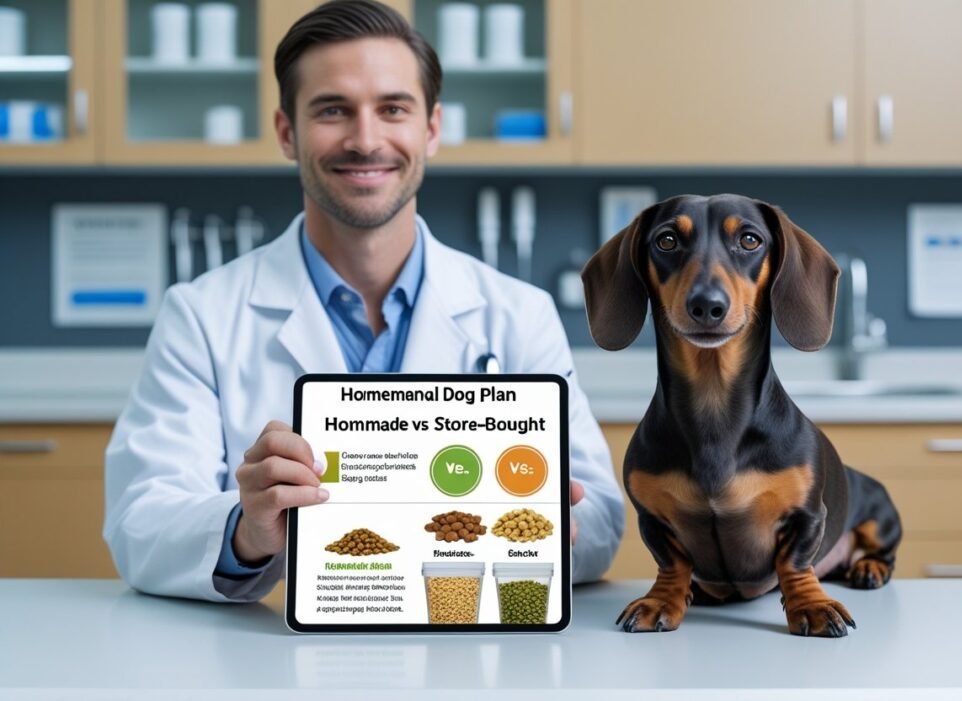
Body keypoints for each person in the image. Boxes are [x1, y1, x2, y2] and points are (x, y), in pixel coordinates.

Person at [103, 0, 624, 602]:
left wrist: (548, 528)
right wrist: (248, 530)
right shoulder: (200, 315)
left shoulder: (518, 315)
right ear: (285, 132)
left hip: (464, 647)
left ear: (431, 128)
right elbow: (140, 522)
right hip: (267, 665)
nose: (365, 139)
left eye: (393, 109)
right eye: (332, 110)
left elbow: (603, 518)